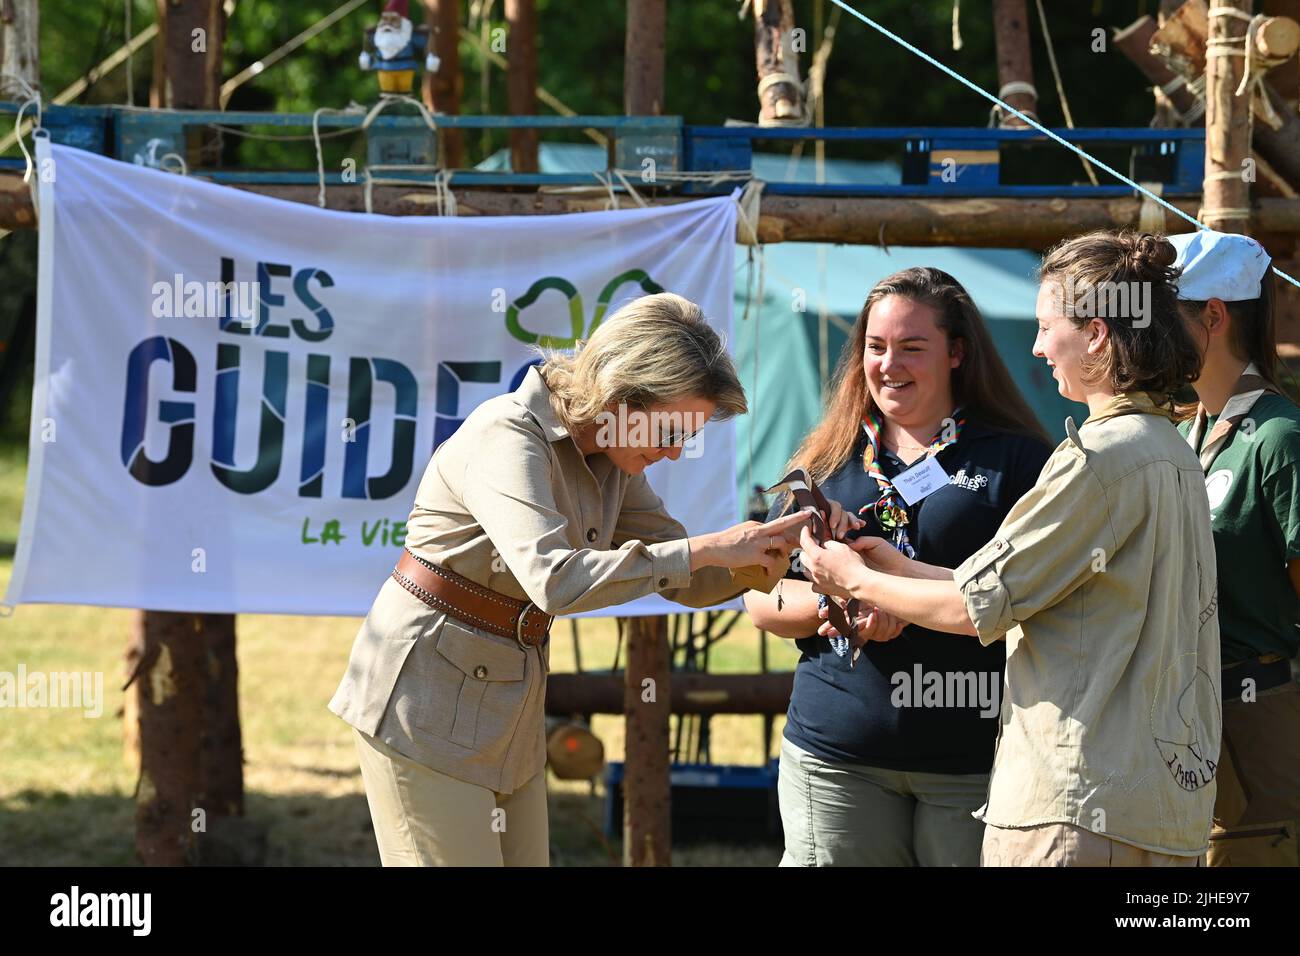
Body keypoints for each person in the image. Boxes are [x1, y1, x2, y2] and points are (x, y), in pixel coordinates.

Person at [328, 292, 828, 866]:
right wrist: (706, 548)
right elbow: (556, 583)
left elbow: (685, 577)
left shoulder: (611, 458)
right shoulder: (507, 435)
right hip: (422, 711)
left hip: (505, 720)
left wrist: (781, 547)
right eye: (670, 433)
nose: (673, 453)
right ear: (621, 396)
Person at [797, 232, 1222, 866]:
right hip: (1156, 805)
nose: (1037, 346)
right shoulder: (1170, 451)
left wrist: (849, 576)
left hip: (1078, 809)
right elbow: (1032, 586)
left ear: (1098, 334)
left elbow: (976, 608)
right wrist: (898, 566)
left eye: (1048, 327)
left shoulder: (1097, 461)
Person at [744, 267, 1052, 866]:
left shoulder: (1020, 460)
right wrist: (841, 606)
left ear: (957, 352)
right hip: (837, 758)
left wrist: (899, 602)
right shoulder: (824, 459)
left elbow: (1038, 601)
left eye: (913, 347)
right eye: (877, 347)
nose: (890, 364)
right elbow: (760, 598)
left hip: (974, 762)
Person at [1171, 230, 1300, 866]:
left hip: (1262, 720)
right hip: (1189, 727)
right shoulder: (1181, 433)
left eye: (1162, 318)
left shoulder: (1280, 439)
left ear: (1213, 316)